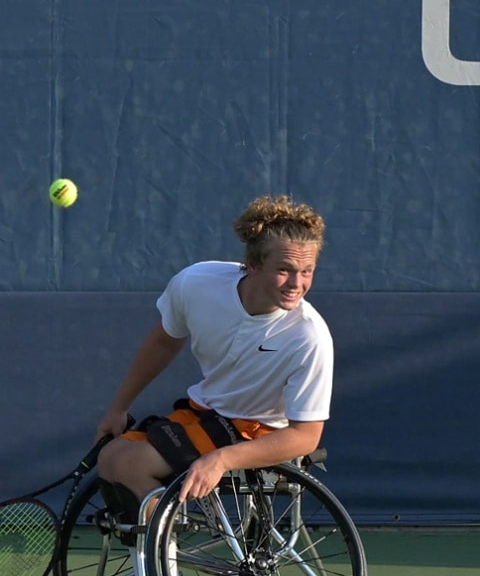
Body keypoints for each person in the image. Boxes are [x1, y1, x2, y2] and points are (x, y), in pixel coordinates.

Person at [94, 194, 332, 516]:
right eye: (285, 270)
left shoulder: (308, 337)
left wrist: (223, 459)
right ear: (253, 264)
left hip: (258, 431)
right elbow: (164, 342)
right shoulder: (197, 284)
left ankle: (164, 556)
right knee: (109, 456)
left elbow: (305, 436)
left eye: (307, 271)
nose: (297, 283)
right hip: (205, 413)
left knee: (130, 463)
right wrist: (118, 408)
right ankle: (157, 546)